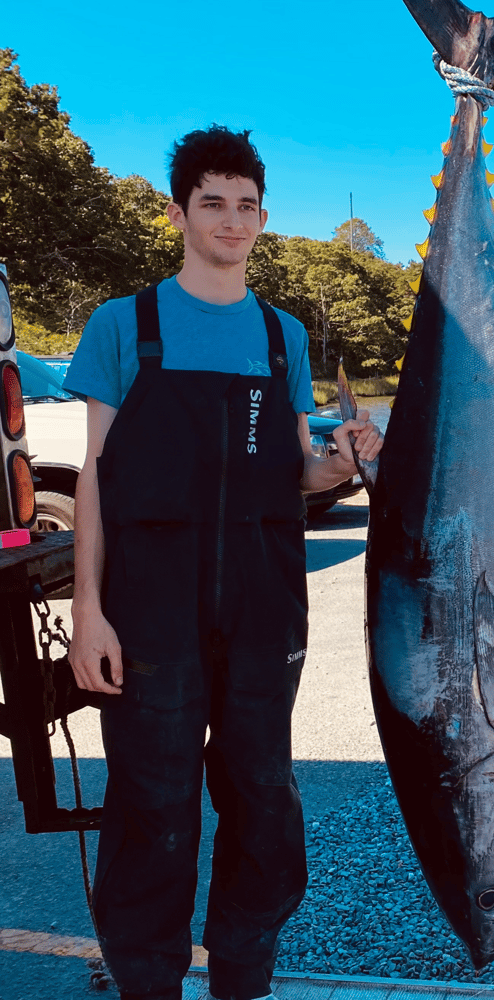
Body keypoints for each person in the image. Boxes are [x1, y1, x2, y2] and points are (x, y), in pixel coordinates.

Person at [65, 125, 382, 1000]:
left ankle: (245, 975)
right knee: (151, 806)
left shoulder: (281, 337)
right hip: (147, 608)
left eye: (247, 206)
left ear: (262, 217)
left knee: (262, 799)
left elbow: (295, 474)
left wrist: (343, 462)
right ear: (179, 213)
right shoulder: (125, 325)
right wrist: (88, 611)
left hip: (262, 606)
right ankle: (147, 982)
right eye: (214, 204)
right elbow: (93, 480)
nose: (232, 221)